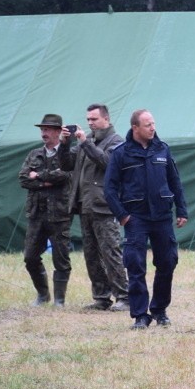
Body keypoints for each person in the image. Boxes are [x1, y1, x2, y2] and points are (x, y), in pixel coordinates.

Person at [104, 109, 188, 330]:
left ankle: (159, 310)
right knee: (135, 265)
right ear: (135, 128)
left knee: (167, 262)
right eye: (148, 125)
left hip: (161, 216)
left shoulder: (162, 149)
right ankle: (140, 315)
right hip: (136, 218)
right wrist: (122, 215)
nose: (152, 128)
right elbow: (109, 189)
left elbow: (175, 181)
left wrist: (182, 210)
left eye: (153, 123)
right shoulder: (121, 153)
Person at [60, 104, 129, 312]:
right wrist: (64, 144)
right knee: (91, 254)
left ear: (106, 120)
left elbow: (107, 163)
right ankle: (101, 297)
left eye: (94, 119)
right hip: (85, 206)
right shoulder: (86, 141)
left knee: (111, 252)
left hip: (105, 206)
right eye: (88, 119)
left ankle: (124, 297)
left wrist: (84, 142)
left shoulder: (116, 142)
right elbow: (66, 165)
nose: (90, 123)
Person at [18, 114, 72, 307]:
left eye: (48, 129)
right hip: (37, 214)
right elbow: (23, 179)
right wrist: (47, 182)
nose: (44, 133)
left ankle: (59, 299)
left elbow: (65, 175)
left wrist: (38, 176)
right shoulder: (34, 154)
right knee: (30, 256)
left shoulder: (67, 153)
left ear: (59, 132)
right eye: (42, 129)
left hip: (59, 214)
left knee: (61, 258)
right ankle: (43, 295)